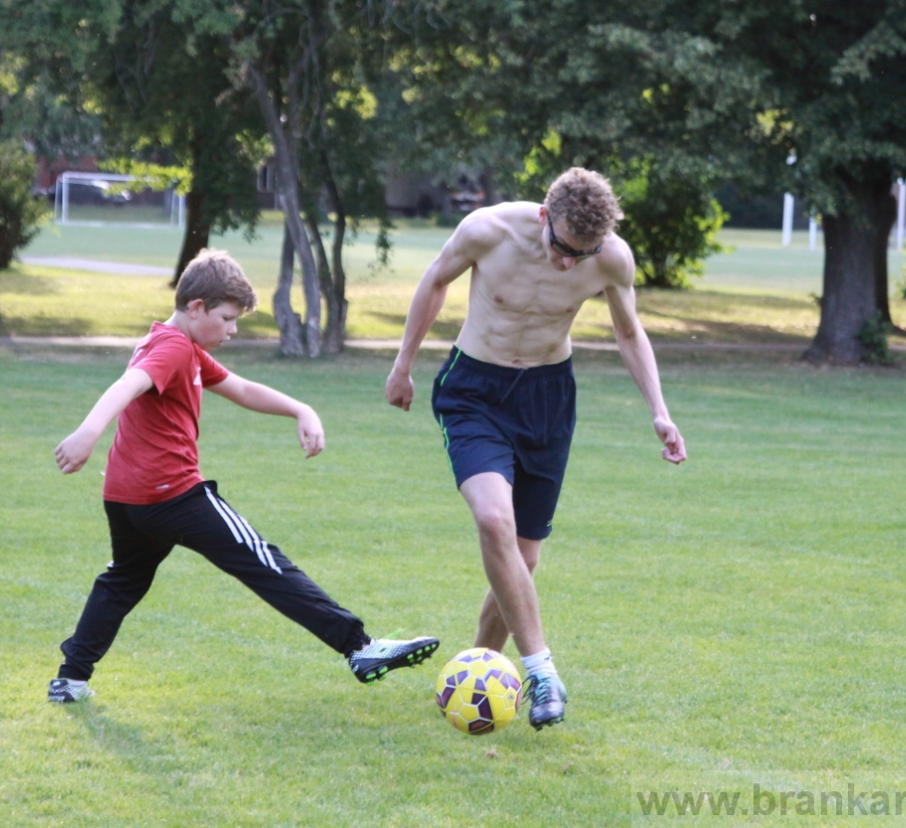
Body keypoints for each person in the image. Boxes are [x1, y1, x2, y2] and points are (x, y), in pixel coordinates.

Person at [48, 250, 437, 703]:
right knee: (263, 561)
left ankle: (70, 679)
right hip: (171, 494)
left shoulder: (181, 347)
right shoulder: (173, 347)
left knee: (124, 579)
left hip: (126, 497)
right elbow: (127, 385)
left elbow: (241, 388)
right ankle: (360, 647)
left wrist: (300, 408)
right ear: (196, 308)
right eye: (228, 318)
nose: (233, 330)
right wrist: (87, 433)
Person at [385, 168, 687, 729]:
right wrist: (403, 364)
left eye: (584, 253)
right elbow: (434, 282)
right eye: (563, 249)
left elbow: (627, 331)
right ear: (545, 217)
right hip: (474, 390)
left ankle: (477, 668)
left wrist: (659, 411)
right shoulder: (487, 230)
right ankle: (542, 669)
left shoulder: (612, 258)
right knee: (494, 522)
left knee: (522, 560)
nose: (570, 264)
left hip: (547, 399)